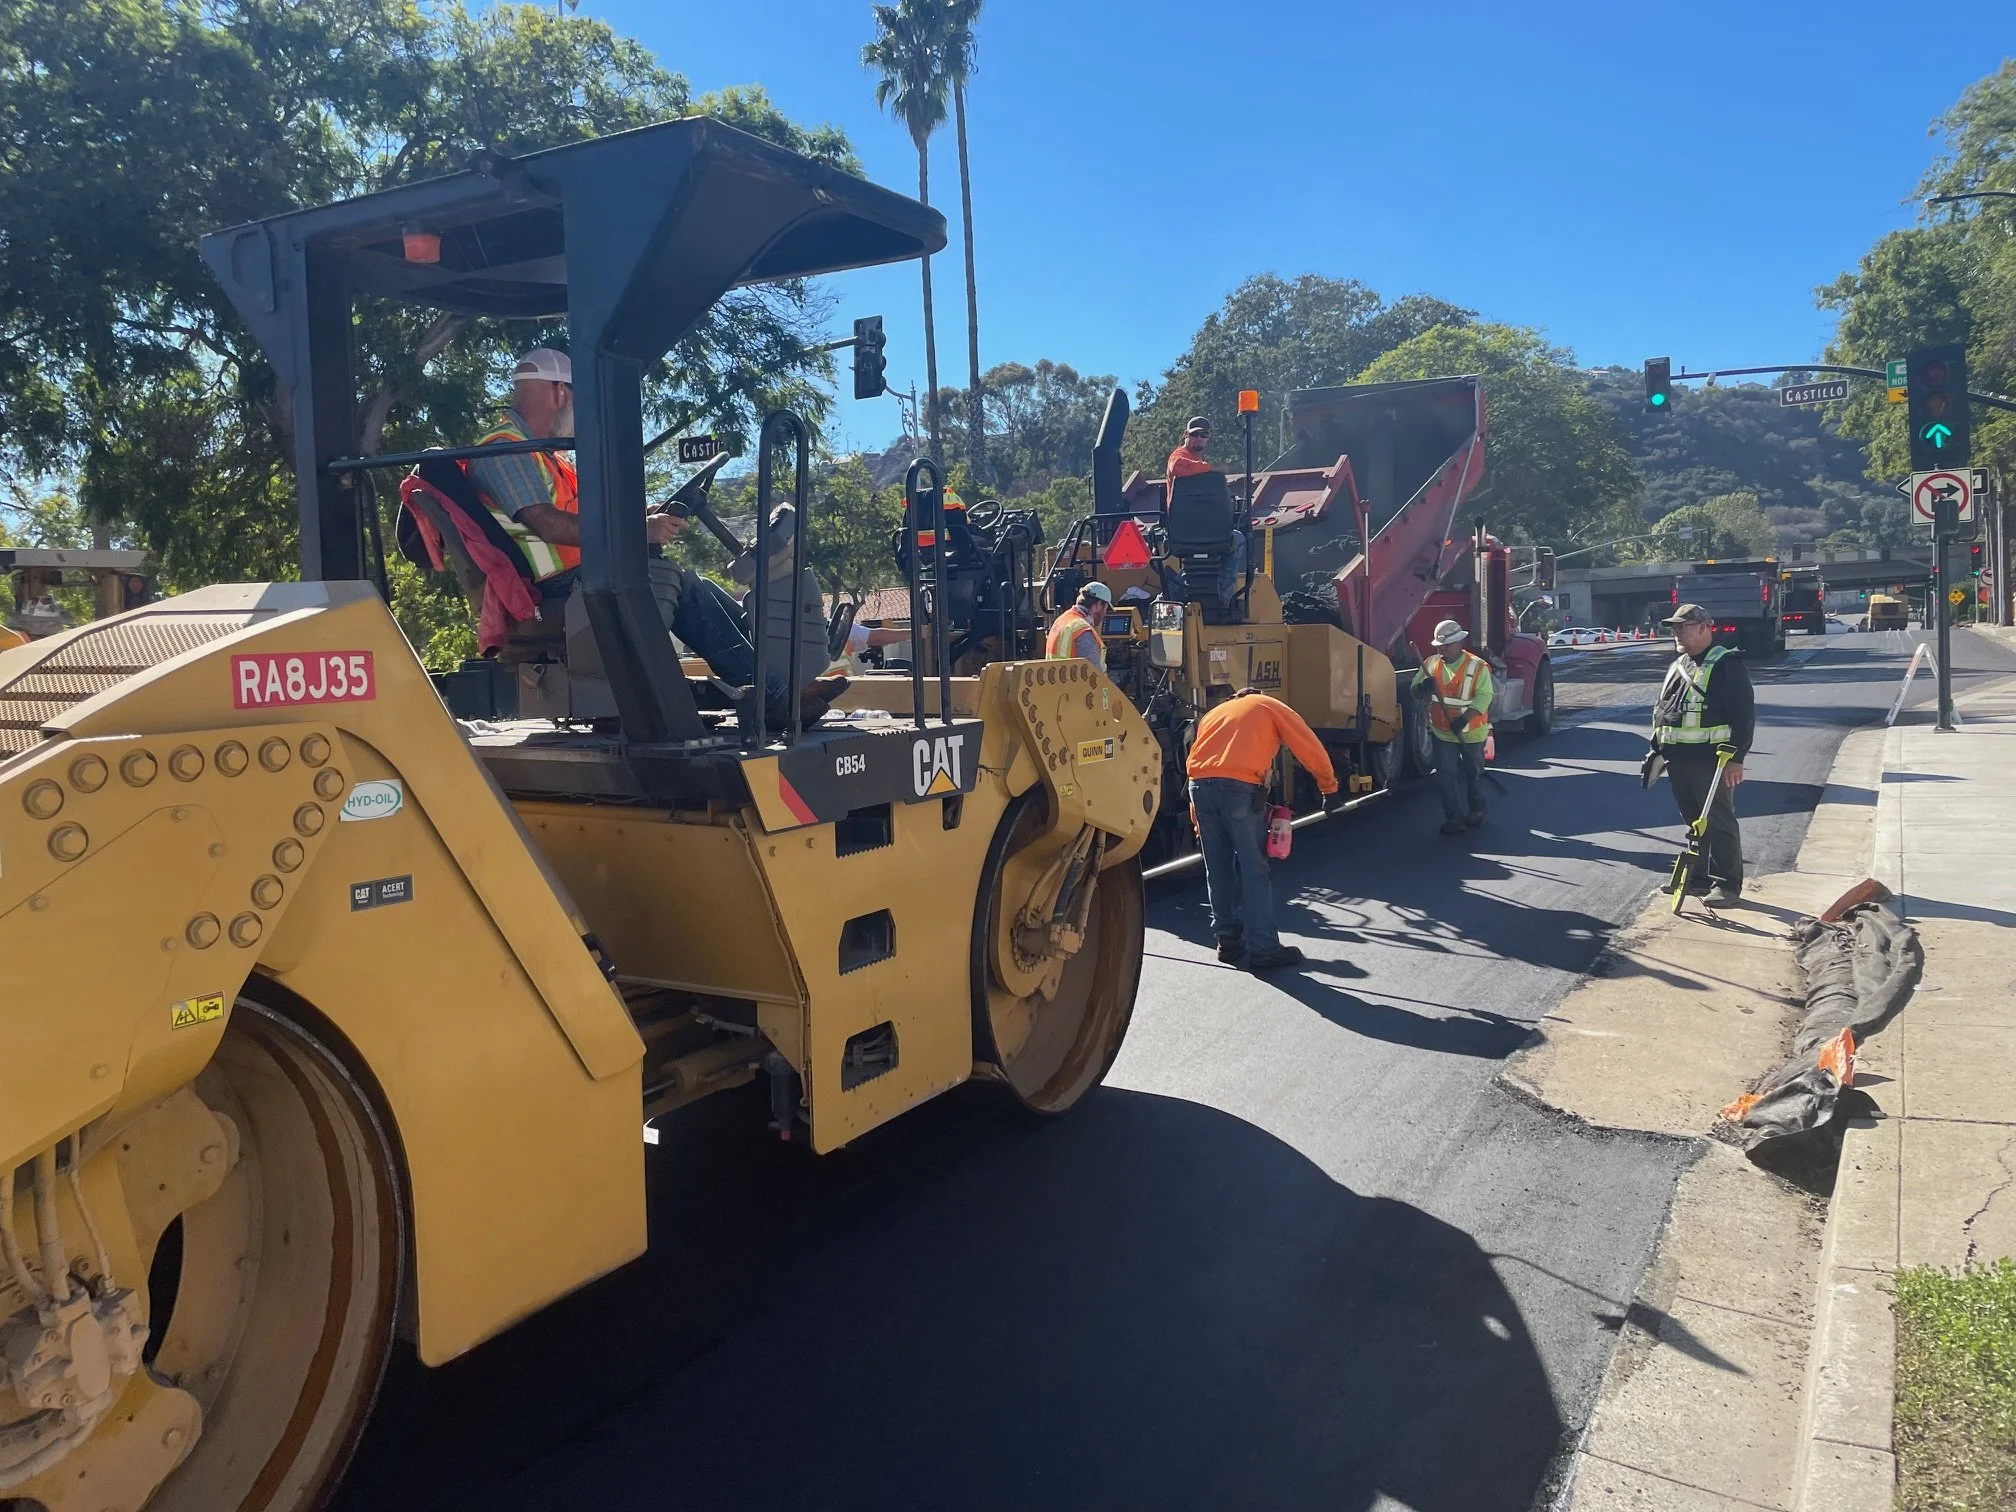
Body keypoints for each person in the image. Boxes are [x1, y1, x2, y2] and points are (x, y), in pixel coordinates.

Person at [463, 348, 833, 726]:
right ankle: (775, 696)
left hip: (574, 577)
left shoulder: (542, 454)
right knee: (669, 580)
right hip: (553, 590)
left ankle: (779, 688)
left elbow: (583, 517)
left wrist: (645, 515)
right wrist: (638, 532)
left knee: (691, 583)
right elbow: (547, 525)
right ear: (560, 392)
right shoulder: (506, 450)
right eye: (576, 396)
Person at [1185, 688, 1338, 971]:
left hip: (1200, 788)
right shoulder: (1269, 705)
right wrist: (1328, 786)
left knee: (1217, 868)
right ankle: (1264, 948)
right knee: (1254, 867)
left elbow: (1197, 766)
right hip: (1239, 787)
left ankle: (1227, 941)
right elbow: (1307, 743)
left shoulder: (1213, 714)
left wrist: (1197, 825)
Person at [1649, 603, 1754, 907]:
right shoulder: (1679, 665)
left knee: (1718, 821)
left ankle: (1727, 885)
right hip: (1678, 759)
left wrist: (1736, 758)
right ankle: (1697, 879)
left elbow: (1744, 715)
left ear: (1706, 628)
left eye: (1684, 626)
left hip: (1712, 760)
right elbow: (1664, 712)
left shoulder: (1726, 664)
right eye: (1675, 628)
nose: (1677, 632)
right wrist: (1657, 751)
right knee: (1694, 821)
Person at [1411, 618, 1493, 835]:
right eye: (1439, 646)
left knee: (1473, 774)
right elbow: (1415, 691)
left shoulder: (1477, 667)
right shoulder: (1430, 664)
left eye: (1446, 645)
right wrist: (1422, 687)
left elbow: (1484, 697)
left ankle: (1477, 811)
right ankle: (1454, 818)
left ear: (1460, 643)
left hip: (1472, 733)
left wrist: (1464, 720)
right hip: (1443, 732)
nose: (1442, 650)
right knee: (1445, 776)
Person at [1162, 416, 1246, 601]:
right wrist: (1213, 467)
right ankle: (1225, 595)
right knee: (1237, 540)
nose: (1199, 438)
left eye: (1203, 435)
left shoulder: (1201, 468)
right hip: (1183, 531)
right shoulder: (1179, 457)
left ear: (1208, 438)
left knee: (1234, 541)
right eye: (1195, 434)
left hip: (1208, 529)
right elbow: (1177, 467)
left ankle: (1179, 592)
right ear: (1186, 435)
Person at [1046, 580, 1113, 670]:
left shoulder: (1062, 620)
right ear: (1099, 604)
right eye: (1106, 608)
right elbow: (1093, 675)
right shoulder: (1083, 630)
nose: (1105, 613)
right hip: (1073, 684)